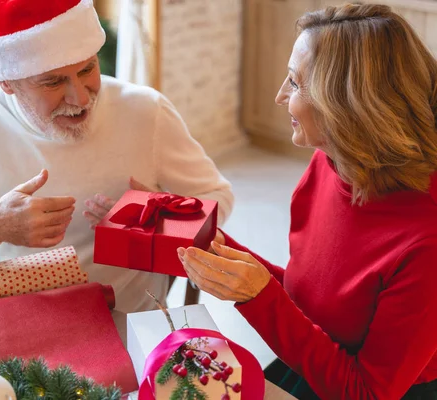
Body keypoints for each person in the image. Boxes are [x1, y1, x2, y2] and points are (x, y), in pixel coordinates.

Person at [0, 0, 234, 313]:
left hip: (126, 322)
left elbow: (218, 198)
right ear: (7, 83)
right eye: (53, 82)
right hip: (16, 327)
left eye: (88, 69)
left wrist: (157, 219)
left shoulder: (145, 110)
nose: (80, 97)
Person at [179, 3, 437, 399]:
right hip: (317, 358)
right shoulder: (329, 162)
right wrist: (216, 249)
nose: (281, 96)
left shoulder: (426, 243)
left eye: (296, 83)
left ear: (348, 106)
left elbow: (366, 391)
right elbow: (315, 295)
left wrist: (257, 296)